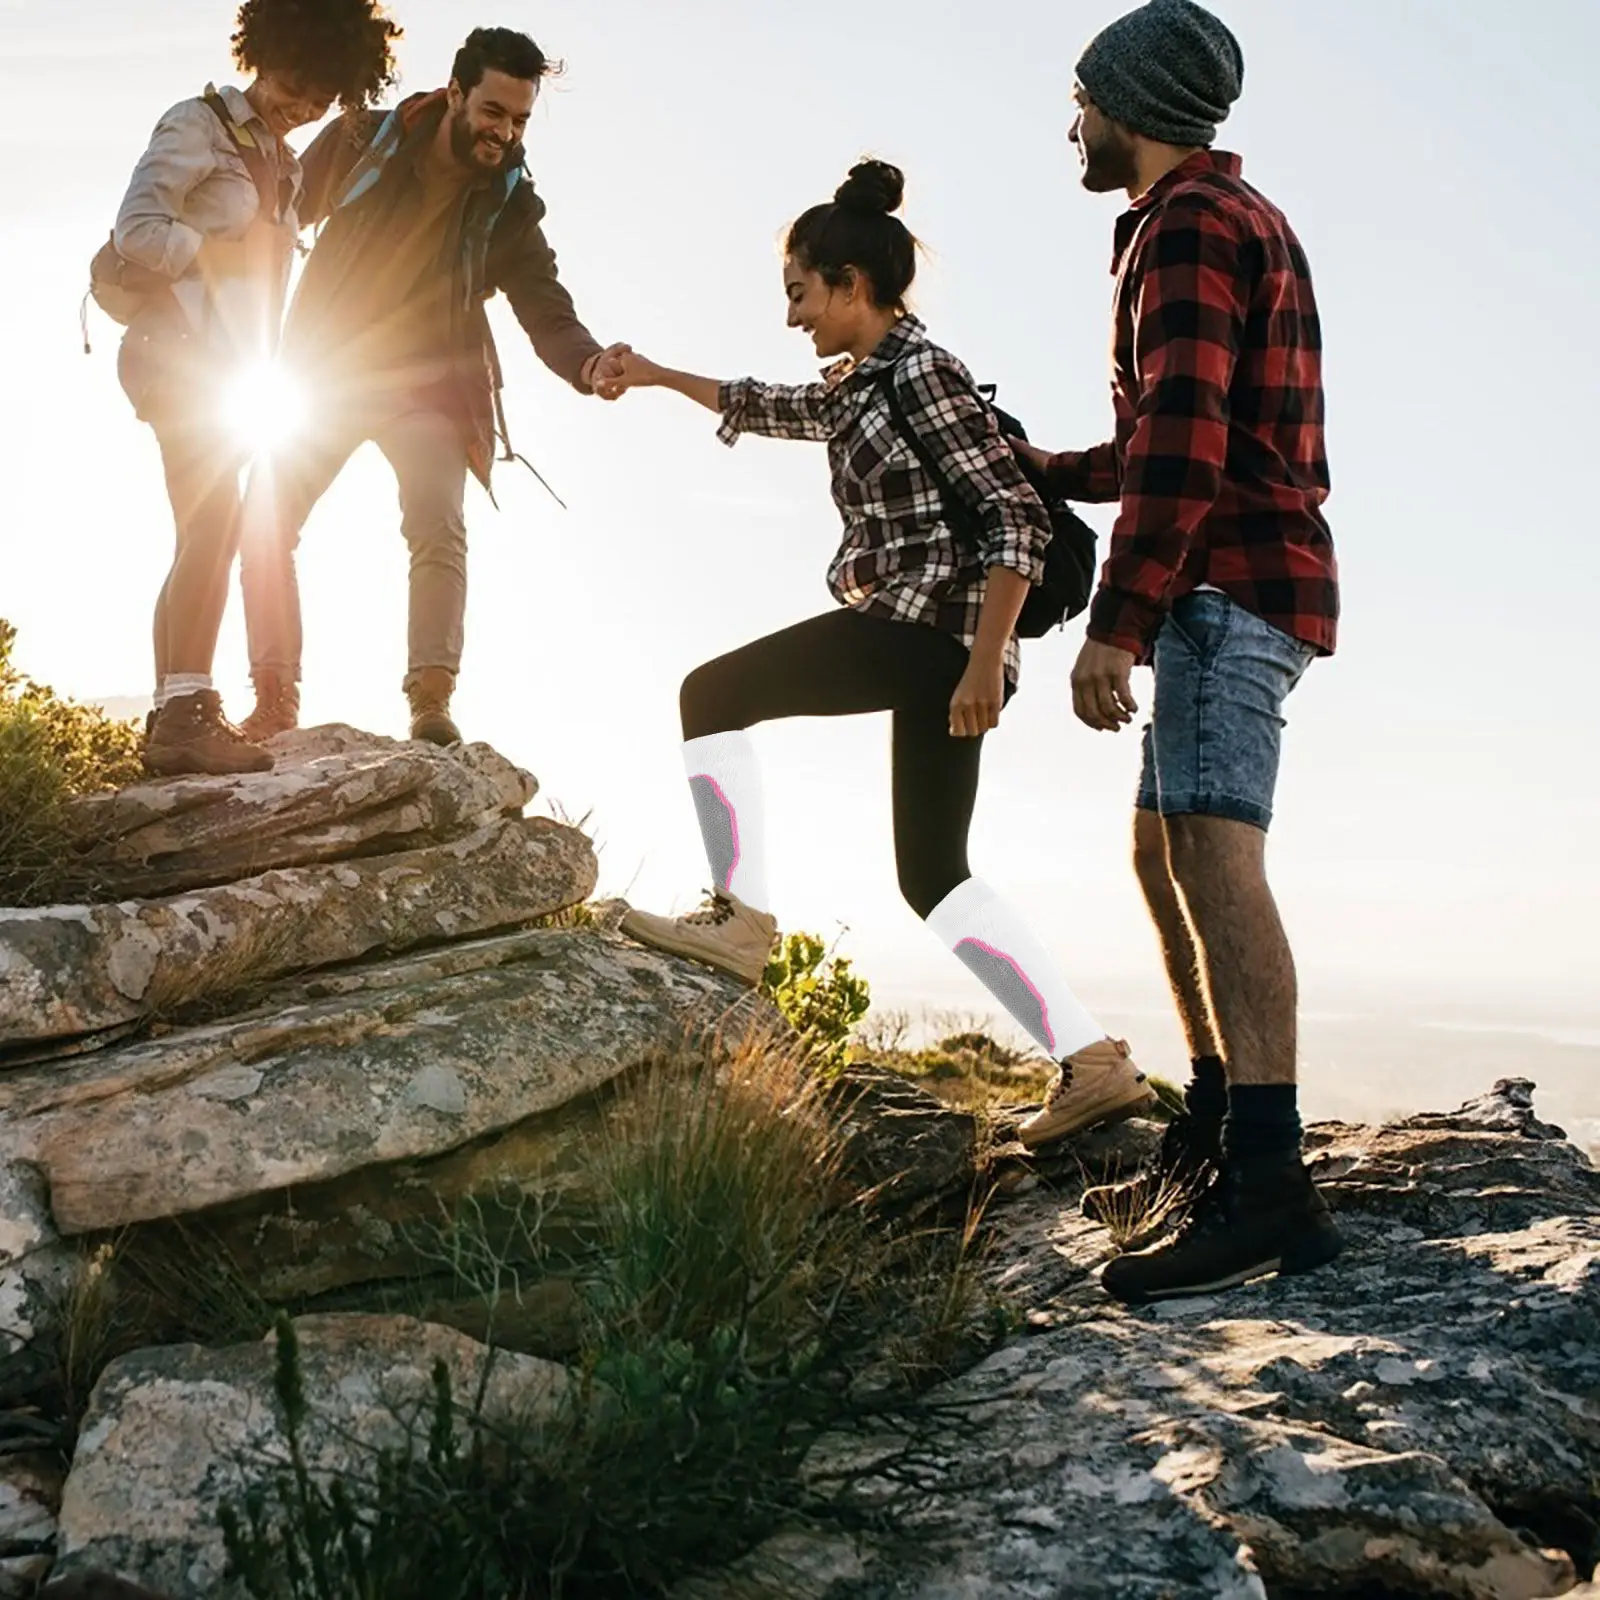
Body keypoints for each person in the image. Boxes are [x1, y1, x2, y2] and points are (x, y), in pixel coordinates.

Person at [607, 160, 1154, 1146]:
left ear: (850, 283)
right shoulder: (858, 386)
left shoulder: (923, 373)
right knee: (934, 875)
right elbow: (767, 402)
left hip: (929, 634)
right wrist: (652, 374)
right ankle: (1090, 1061)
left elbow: (1015, 521)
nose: (791, 316)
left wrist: (985, 663)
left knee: (712, 692)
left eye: (798, 293)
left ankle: (740, 918)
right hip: (934, 642)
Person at [1013, 0, 1342, 1301]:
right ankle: (1217, 1123)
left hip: (1230, 587)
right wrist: (1040, 465)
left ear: (1129, 105)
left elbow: (1192, 447)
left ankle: (1270, 1184)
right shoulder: (1209, 222)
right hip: (1239, 575)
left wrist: (1118, 625)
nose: (1073, 123)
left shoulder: (1193, 228)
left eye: (1083, 99)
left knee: (1213, 851)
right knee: (1164, 847)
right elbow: (1170, 436)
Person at [237, 26, 631, 748]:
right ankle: (273, 696)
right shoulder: (364, 140)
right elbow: (276, 212)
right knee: (264, 515)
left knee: (438, 524)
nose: (505, 133)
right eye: (493, 113)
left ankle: (430, 701)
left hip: (428, 387)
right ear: (455, 93)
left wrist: (588, 363)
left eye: (519, 120)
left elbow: (546, 307)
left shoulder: (512, 204)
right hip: (326, 371)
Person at [107, 0, 401, 776]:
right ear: (265, 52)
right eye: (297, 83)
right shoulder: (197, 124)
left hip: (232, 368)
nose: (302, 107)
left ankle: (178, 712)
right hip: (173, 350)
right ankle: (184, 714)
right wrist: (219, 251)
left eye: (321, 99)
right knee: (214, 520)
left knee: (205, 527)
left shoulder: (289, 164)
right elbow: (134, 228)